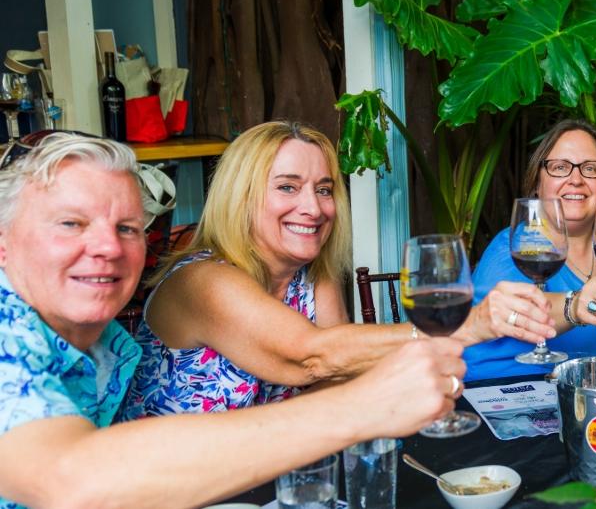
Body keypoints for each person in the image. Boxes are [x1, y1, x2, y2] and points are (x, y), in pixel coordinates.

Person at [0, 133, 464, 508]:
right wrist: (365, 404)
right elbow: (74, 483)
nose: (109, 248)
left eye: (127, 228)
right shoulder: (6, 333)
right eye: (70, 224)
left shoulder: (106, 346)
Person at [118, 121, 551, 419]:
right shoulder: (202, 280)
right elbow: (311, 356)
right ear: (241, 196)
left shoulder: (309, 274)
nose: (313, 207)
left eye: (323, 190)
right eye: (288, 186)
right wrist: (468, 326)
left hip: (272, 475)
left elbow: (338, 372)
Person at [465, 119, 596, 381]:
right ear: (537, 183)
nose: (576, 179)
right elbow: (515, 312)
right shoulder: (515, 246)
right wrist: (576, 304)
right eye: (560, 168)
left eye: (590, 168)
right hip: (507, 395)